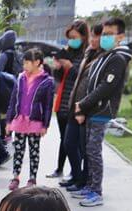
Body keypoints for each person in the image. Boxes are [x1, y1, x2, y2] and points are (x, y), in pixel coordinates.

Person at [73, 17, 132, 207]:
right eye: (104, 34)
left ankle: (96, 191)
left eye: (109, 34)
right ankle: (90, 186)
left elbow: (105, 87)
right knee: (89, 150)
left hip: (102, 110)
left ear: (120, 36)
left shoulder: (118, 58)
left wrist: (82, 104)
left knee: (93, 150)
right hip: (93, 109)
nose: (105, 38)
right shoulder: (106, 55)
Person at [62, 24, 103, 193]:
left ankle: (84, 182)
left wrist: (83, 109)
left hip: (85, 108)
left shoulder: (102, 58)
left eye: (97, 37)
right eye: (93, 36)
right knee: (69, 144)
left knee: (85, 149)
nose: (94, 40)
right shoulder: (89, 53)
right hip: (75, 105)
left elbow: (94, 87)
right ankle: (78, 177)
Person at [6, 49, 56, 189]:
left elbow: (48, 106)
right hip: (20, 120)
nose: (24, 65)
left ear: (37, 62)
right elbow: (13, 100)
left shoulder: (47, 81)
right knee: (18, 150)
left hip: (35, 121)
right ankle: (15, 177)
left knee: (34, 151)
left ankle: (32, 179)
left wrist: (45, 125)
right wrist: (9, 121)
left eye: (27, 62)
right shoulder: (21, 77)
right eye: (24, 62)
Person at [48, 21, 89, 179]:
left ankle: (75, 172)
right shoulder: (66, 52)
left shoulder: (86, 54)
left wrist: (69, 66)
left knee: (73, 141)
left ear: (84, 36)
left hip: (76, 102)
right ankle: (60, 169)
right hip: (63, 101)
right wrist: (58, 68)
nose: (71, 40)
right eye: (69, 37)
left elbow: (80, 76)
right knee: (64, 139)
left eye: (75, 37)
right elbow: (59, 79)